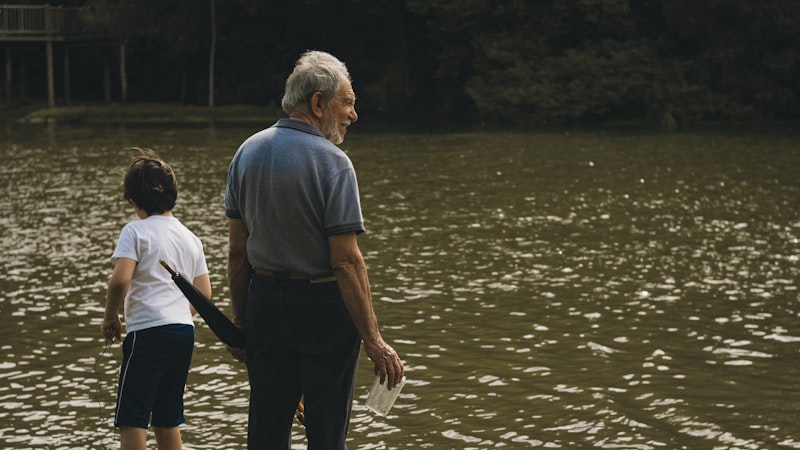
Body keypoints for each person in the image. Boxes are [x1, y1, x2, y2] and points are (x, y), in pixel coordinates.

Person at [225, 50, 405, 449]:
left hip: (265, 305)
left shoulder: (246, 153)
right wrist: (374, 342)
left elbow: (237, 253)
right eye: (348, 102)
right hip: (325, 311)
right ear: (318, 103)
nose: (353, 115)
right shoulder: (334, 163)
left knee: (267, 431)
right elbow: (345, 260)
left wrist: (240, 323)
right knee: (326, 433)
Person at [101, 151, 211, 450]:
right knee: (167, 416)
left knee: (132, 417)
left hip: (148, 333)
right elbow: (204, 294)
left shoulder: (135, 231)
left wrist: (111, 316)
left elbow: (120, 279)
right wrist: (176, 311)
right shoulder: (190, 237)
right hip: (182, 332)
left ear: (134, 201)